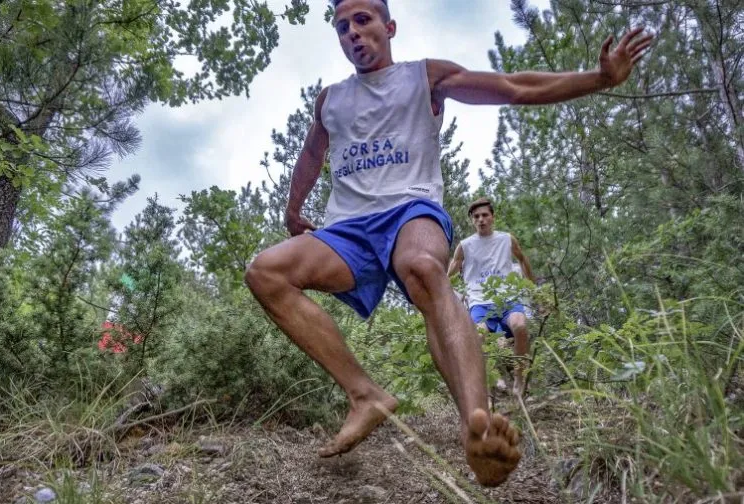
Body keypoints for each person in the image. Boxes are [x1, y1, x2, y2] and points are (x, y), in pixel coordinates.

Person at [244, 0, 652, 487]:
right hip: (347, 229)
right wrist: (293, 209)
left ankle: (476, 428)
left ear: (388, 26)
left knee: (423, 268)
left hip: (410, 209)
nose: (353, 31)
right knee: (265, 271)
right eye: (342, 26)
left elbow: (513, 87)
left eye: (363, 20)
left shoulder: (425, 77)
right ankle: (364, 395)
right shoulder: (330, 98)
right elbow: (313, 151)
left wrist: (599, 78)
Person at [447, 198, 535, 398]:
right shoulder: (465, 245)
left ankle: (520, 380)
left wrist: (533, 289)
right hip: (480, 301)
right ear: (472, 220)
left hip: (508, 298)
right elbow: (449, 275)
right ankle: (492, 380)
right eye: (476, 217)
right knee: (479, 337)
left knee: (520, 325)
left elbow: (522, 258)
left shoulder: (506, 239)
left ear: (492, 217)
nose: (481, 220)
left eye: (485, 215)